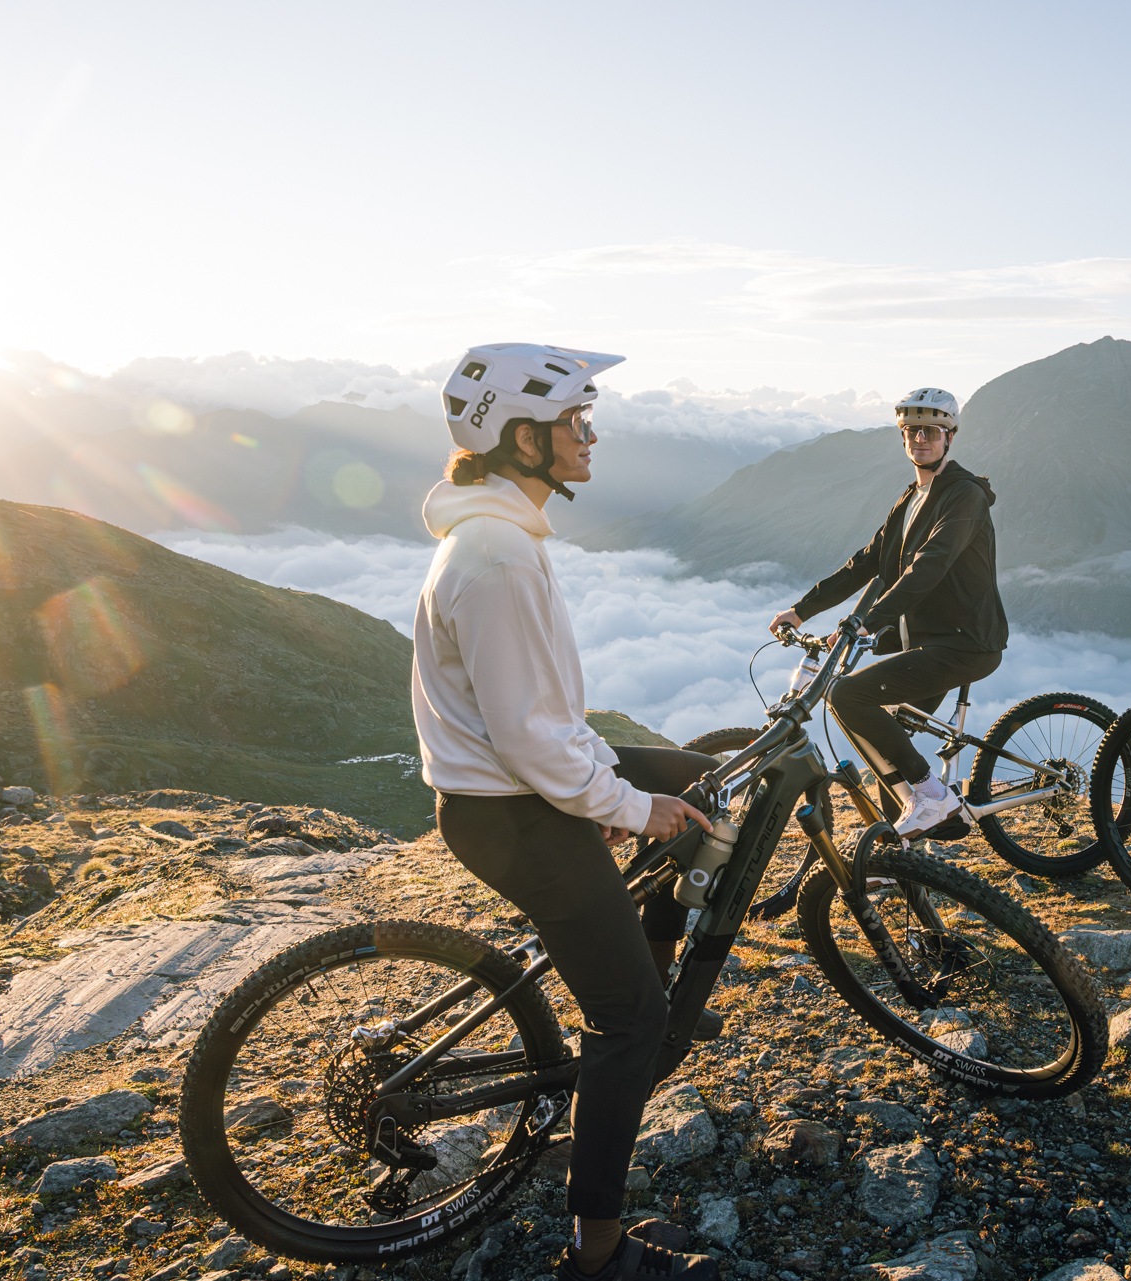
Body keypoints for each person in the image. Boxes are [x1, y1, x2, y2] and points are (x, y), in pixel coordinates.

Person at [413, 343, 723, 1281]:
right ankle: (598, 1250)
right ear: (521, 438)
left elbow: (545, 716)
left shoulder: (505, 536)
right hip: (512, 811)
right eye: (575, 422)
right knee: (624, 1020)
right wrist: (620, 803)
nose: (591, 435)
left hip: (524, 786)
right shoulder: (497, 557)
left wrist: (621, 790)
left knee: (705, 785)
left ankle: (649, 981)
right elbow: (528, 739)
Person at [769, 387, 1008, 839]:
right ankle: (903, 847)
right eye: (912, 430)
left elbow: (930, 565)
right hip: (929, 643)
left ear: (949, 437)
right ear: (902, 436)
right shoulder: (912, 497)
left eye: (931, 431)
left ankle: (934, 797)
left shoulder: (965, 496)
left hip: (965, 644)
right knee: (886, 749)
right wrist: (801, 611)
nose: (921, 439)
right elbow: (866, 562)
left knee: (848, 696)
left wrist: (868, 621)